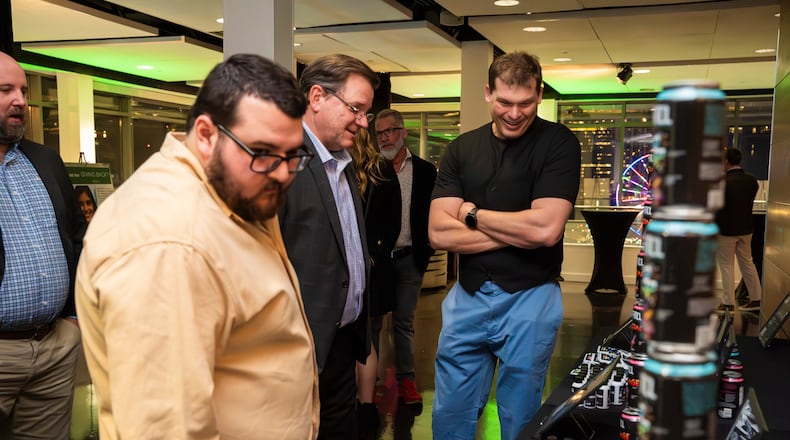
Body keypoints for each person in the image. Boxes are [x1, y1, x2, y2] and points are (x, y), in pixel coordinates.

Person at [75, 53, 319, 439]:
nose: (283, 173)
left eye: (293, 155)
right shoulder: (169, 242)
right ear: (206, 135)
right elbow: (166, 428)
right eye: (264, 153)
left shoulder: (233, 190)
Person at [428, 51, 581, 440]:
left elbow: (546, 231)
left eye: (525, 103)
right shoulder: (461, 149)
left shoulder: (558, 143)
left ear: (540, 94)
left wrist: (472, 213)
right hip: (467, 296)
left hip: (531, 297)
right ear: (487, 93)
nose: (514, 113)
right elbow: (439, 234)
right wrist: (517, 228)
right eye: (504, 102)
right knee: (451, 412)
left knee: (520, 416)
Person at [279, 53, 379, 440]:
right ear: (317, 96)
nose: (363, 121)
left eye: (366, 112)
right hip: (296, 350)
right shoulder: (281, 161)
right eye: (356, 108)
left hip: (340, 341)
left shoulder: (342, 163)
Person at [0, 51, 85, 440]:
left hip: (54, 346)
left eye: (23, 90)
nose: (20, 100)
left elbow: (77, 238)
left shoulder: (45, 160)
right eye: (5, 90)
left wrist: (71, 318)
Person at [373, 108, 436, 405]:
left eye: (390, 131)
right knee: (372, 321)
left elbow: (431, 214)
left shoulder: (424, 171)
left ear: (403, 132)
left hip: (411, 259)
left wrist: (427, 252)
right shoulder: (371, 169)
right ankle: (368, 380)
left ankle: (407, 381)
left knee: (403, 323)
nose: (385, 137)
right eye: (380, 133)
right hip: (379, 261)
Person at [351, 128, 399, 436]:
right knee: (369, 337)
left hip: (344, 267)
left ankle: (348, 402)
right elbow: (395, 220)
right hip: (375, 266)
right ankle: (366, 406)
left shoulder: (337, 165)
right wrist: (378, 254)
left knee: (343, 336)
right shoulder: (382, 169)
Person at [714, 147, 762, 313]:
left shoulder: (722, 182)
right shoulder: (751, 180)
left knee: (727, 266)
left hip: (726, 231)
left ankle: (728, 304)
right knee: (748, 263)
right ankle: (756, 299)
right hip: (746, 229)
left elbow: (717, 208)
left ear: (726, 162)